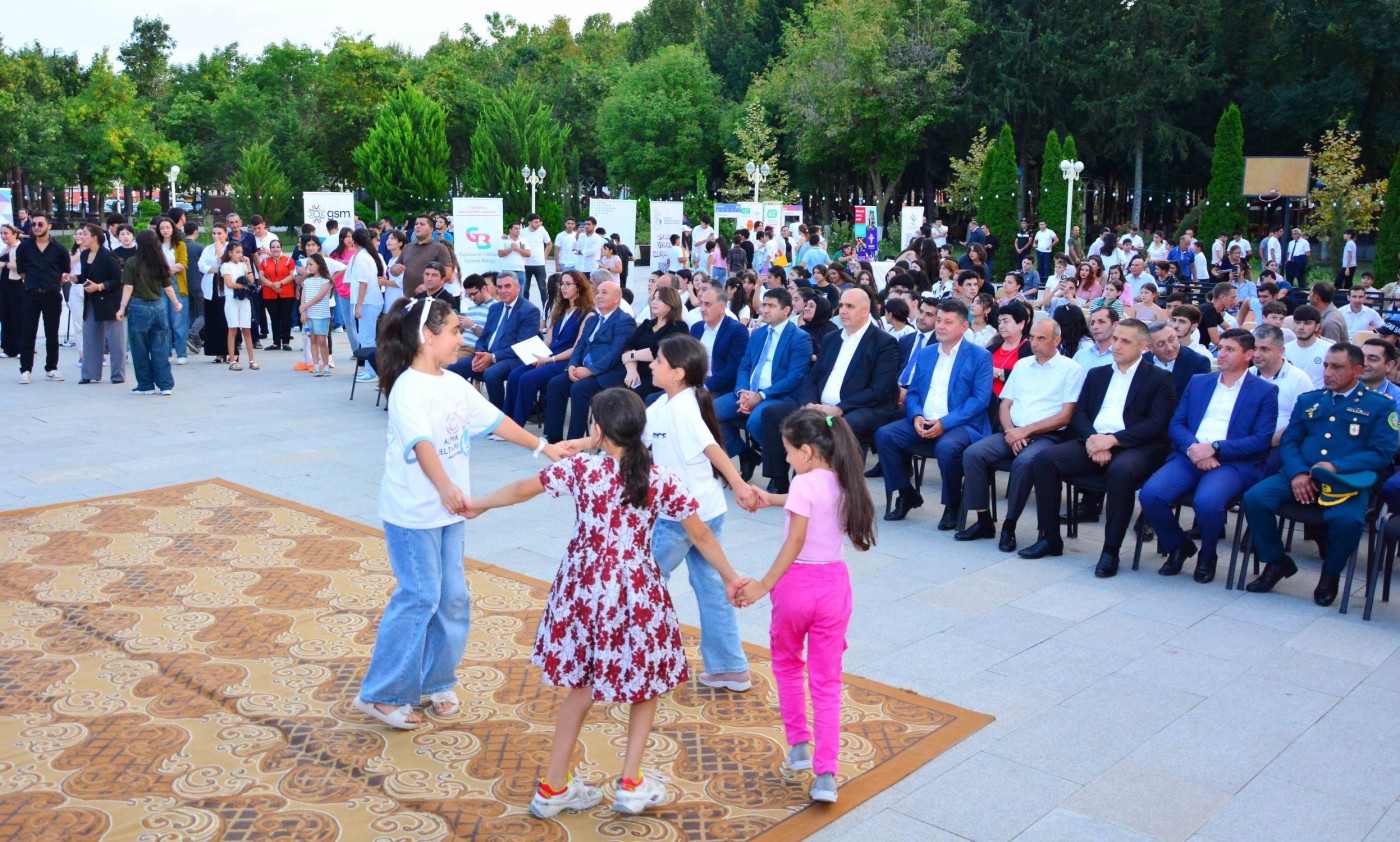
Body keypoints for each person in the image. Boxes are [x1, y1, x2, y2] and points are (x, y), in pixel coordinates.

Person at [467, 387, 745, 817]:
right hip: (636, 589)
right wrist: (731, 577)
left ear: (597, 430)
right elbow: (701, 534)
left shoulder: (582, 469)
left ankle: (553, 786)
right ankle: (631, 782)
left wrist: (478, 504)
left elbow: (523, 489)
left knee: (580, 685)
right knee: (645, 684)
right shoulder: (661, 478)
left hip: (582, 587)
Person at [351, 296, 563, 731]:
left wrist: (545, 448)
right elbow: (422, 444)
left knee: (453, 598)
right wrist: (446, 486)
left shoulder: (452, 383)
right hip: (413, 514)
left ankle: (435, 681)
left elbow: (495, 420)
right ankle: (383, 694)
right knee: (419, 596)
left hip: (450, 513)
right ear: (427, 337)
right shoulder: (409, 386)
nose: (461, 337)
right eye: (453, 331)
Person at [735, 408, 875, 805]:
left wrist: (764, 584)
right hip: (834, 586)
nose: (787, 458)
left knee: (787, 663)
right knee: (827, 682)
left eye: (789, 452)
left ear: (808, 452)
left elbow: (795, 540)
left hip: (797, 586)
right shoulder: (844, 478)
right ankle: (826, 773)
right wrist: (772, 499)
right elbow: (815, 509)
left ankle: (798, 744)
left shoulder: (803, 482)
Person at [633, 336, 758, 694]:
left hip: (684, 517)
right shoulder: (663, 405)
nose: (651, 365)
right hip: (703, 510)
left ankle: (642, 662)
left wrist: (739, 485)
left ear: (678, 373)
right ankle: (729, 669)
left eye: (657, 361)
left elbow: (711, 448)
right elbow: (633, 440)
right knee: (709, 587)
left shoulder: (684, 407)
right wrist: (583, 446)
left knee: (644, 583)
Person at [1242, 343, 1397, 606]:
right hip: (1302, 474)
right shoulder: (1310, 400)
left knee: (1347, 521)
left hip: (1346, 481)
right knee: (1255, 499)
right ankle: (1276, 561)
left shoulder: (1380, 406)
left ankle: (1330, 574)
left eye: (1337, 367)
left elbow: (1382, 453)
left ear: (1357, 371)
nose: (1328, 372)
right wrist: (1298, 473)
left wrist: (1336, 466)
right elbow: (1290, 442)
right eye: (1326, 366)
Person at [1019, 319, 1176, 578]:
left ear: (1143, 346)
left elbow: (1157, 424)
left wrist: (1113, 440)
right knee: (1045, 460)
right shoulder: (1098, 374)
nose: (1116, 345)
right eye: (1115, 339)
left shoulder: (1160, 378)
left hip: (1134, 447)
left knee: (1121, 472)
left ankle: (1110, 550)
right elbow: (1079, 413)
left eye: (1125, 341)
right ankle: (1049, 537)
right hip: (1093, 441)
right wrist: (1094, 440)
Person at [1139, 329, 1278, 583]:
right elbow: (1176, 424)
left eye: (1229, 349)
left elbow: (1261, 440)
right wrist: (1194, 448)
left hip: (1232, 463)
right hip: (1190, 454)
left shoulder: (1265, 391)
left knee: (1207, 503)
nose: (1221, 353)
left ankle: (1208, 555)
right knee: (1150, 495)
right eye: (1220, 347)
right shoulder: (1200, 381)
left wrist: (1215, 448)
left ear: (1248, 355)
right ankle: (1178, 545)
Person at [956, 318, 1084, 551]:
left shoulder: (1071, 369)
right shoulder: (1022, 364)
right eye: (1032, 337)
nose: (1034, 343)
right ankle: (984, 520)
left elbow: (1066, 416)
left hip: (1048, 435)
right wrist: (1011, 432)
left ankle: (1009, 526)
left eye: (1041, 338)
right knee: (973, 453)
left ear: (1057, 340)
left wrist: (1025, 431)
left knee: (1024, 462)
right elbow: (1005, 404)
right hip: (1013, 431)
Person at [760, 289, 899, 494]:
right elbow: (813, 377)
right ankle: (779, 480)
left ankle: (842, 489)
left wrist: (838, 409)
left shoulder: (884, 342)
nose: (843, 310)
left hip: (860, 407)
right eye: (841, 305)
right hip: (820, 404)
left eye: (849, 306)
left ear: (865, 311)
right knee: (772, 413)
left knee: (842, 425)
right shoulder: (831, 339)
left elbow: (879, 390)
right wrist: (809, 403)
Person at [875, 299, 992, 526]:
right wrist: (917, 415)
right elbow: (914, 393)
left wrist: (944, 423)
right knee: (884, 435)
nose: (940, 326)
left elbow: (979, 400)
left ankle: (952, 504)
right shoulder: (927, 353)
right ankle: (906, 493)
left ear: (964, 327)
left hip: (961, 424)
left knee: (947, 447)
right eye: (939, 320)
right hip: (924, 419)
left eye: (948, 322)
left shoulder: (979, 356)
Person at [715, 288, 814, 481]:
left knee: (756, 421)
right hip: (750, 392)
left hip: (778, 396)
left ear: (786, 310)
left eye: (771, 306)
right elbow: (744, 366)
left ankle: (780, 458)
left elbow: (795, 377)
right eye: (764, 305)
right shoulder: (758, 334)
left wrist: (760, 396)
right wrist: (742, 391)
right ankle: (746, 454)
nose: (765, 310)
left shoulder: (800, 338)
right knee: (709, 412)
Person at [544, 280, 632, 441]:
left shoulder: (624, 320)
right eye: (597, 292)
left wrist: (590, 370)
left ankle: (575, 441)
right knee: (555, 384)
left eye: (604, 293)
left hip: (606, 373)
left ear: (617, 297)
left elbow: (615, 353)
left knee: (579, 389)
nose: (598, 296)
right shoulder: (592, 320)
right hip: (582, 369)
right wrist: (572, 365)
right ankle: (553, 436)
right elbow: (580, 346)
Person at [505, 270, 591, 426]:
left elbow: (577, 347)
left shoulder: (587, 314)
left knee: (527, 379)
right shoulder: (560, 309)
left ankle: (516, 425)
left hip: (564, 361)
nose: (563, 288)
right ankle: (505, 422)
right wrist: (537, 355)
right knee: (514, 375)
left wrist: (548, 359)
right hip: (549, 356)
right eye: (562, 284)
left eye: (568, 284)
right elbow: (548, 339)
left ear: (579, 287)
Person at [450, 272, 542, 410]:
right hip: (488, 353)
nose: (503, 291)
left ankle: (497, 416)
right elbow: (484, 336)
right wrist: (480, 353)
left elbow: (522, 345)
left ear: (518, 287)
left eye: (507, 286)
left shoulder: (529, 310)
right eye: (499, 287)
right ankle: (460, 411)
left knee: (491, 374)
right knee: (453, 368)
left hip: (512, 357)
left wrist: (493, 357)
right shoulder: (495, 308)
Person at [115, 229, 183, 395]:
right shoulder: (160, 262)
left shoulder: (132, 262)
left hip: (139, 307)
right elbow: (167, 286)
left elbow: (128, 287)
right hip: (159, 306)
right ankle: (166, 385)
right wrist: (176, 303)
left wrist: (122, 307)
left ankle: (145, 385)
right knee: (161, 346)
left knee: (140, 348)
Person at [15, 212, 69, 383]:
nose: (36, 228)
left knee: (51, 333)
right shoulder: (24, 247)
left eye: (40, 224)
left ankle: (51, 368)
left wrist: (51, 283)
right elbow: (21, 270)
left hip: (52, 294)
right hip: (30, 293)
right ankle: (25, 370)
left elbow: (64, 270)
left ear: (49, 226)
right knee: (28, 333)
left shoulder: (59, 248)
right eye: (34, 225)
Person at [73, 224, 125, 385]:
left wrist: (99, 286)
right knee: (90, 337)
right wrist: (74, 278)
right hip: (92, 302)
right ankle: (90, 373)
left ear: (95, 237)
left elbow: (118, 280)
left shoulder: (108, 256)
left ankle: (117, 375)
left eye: (85, 234)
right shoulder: (84, 254)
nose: (81, 237)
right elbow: (86, 276)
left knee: (116, 341)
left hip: (110, 302)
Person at [620, 286, 689, 401]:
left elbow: (657, 352)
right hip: (635, 372)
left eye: (659, 299)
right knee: (613, 393)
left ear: (670, 304)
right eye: (654, 298)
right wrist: (631, 371)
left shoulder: (679, 327)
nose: (654, 302)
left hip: (659, 376)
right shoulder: (647, 324)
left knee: (631, 398)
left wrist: (631, 355)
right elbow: (628, 346)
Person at [690, 287, 749, 396]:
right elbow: (686, 358)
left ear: (721, 308)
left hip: (718, 386)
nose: (702, 309)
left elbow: (733, 369)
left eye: (707, 304)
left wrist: (703, 386)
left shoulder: (736, 330)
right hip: (693, 381)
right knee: (654, 398)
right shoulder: (696, 328)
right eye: (701, 304)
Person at [154, 216, 190, 365]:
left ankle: (181, 353)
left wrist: (164, 269)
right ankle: (166, 352)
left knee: (178, 321)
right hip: (159, 284)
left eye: (167, 227)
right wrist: (166, 270)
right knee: (164, 321)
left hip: (176, 283)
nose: (165, 230)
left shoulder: (180, 245)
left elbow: (182, 264)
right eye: (162, 228)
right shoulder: (155, 245)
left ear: (173, 228)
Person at [1146, 319, 1212, 397]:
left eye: (1171, 340)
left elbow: (1198, 399)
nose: (1170, 348)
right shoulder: (1143, 361)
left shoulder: (1198, 363)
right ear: (1150, 348)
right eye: (1161, 344)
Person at [220, 242, 259, 372]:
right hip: (232, 299)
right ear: (230, 253)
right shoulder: (225, 266)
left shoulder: (243, 265)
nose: (240, 255)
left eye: (241, 252)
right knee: (233, 329)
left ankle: (252, 359)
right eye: (237, 252)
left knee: (246, 329)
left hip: (244, 300)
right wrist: (246, 286)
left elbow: (252, 280)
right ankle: (232, 360)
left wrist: (248, 265)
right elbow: (229, 284)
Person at [397, 216, 454, 299]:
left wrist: (427, 285)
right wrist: (395, 269)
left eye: (422, 224)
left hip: (430, 300)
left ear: (431, 229)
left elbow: (448, 275)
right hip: (408, 300)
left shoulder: (440, 248)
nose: (417, 226)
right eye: (416, 224)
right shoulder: (407, 247)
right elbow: (393, 270)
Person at [299, 254, 336, 376]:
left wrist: (305, 306)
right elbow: (303, 297)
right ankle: (315, 365)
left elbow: (320, 297)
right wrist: (303, 311)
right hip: (310, 315)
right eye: (307, 265)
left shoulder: (327, 281)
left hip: (322, 315)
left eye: (311, 264)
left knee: (322, 340)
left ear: (319, 265)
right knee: (313, 339)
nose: (308, 267)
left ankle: (325, 365)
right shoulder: (307, 281)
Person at [258, 238, 297, 352]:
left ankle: (285, 342)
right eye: (273, 247)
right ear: (270, 249)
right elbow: (261, 276)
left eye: (277, 247)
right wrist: (271, 285)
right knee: (274, 318)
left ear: (281, 248)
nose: (275, 249)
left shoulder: (289, 260)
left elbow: (292, 275)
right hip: (270, 293)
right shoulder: (264, 262)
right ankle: (276, 342)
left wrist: (280, 283)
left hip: (286, 293)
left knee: (286, 318)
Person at [1284, 305, 1335, 388]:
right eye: (1297, 322)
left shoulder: (1329, 350)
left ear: (1317, 327)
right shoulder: (1285, 350)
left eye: (1307, 323)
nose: (1301, 327)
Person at [0, 224, 25, 359]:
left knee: (17, 315)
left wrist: (4, 265)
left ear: (14, 234)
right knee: (6, 315)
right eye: (2, 233)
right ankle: (8, 347)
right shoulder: (5, 249)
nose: (3, 236)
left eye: (6, 233)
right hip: (4, 285)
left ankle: (20, 347)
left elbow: (23, 266)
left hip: (16, 284)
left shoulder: (19, 248)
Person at [1360, 338, 1400, 404]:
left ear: (1389, 365)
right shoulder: (1343, 387)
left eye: (1372, 359)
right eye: (1361, 357)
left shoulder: (1397, 397)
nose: (1364, 363)